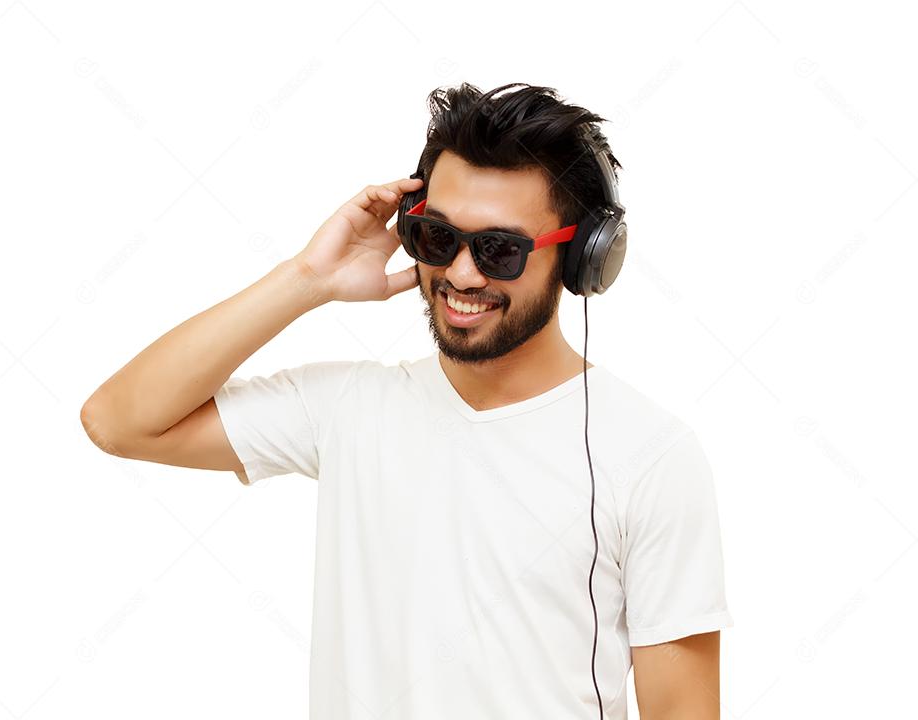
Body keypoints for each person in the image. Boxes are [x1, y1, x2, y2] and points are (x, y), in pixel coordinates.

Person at [81, 82, 734, 719]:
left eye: (500, 250)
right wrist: (307, 279)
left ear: (583, 258)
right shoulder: (348, 409)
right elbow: (117, 421)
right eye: (439, 238)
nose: (461, 274)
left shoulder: (650, 457)